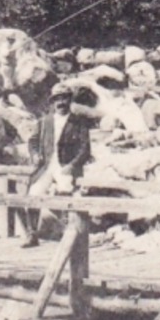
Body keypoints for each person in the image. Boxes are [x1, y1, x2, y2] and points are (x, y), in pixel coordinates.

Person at [21, 82, 95, 247]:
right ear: (52, 102)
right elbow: (32, 141)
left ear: (70, 100)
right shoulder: (45, 121)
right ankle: (32, 234)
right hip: (47, 166)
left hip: (66, 166)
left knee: (65, 192)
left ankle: (68, 235)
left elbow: (85, 149)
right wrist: (34, 154)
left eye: (64, 99)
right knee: (33, 193)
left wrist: (72, 166)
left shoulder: (79, 123)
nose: (61, 103)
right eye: (57, 100)